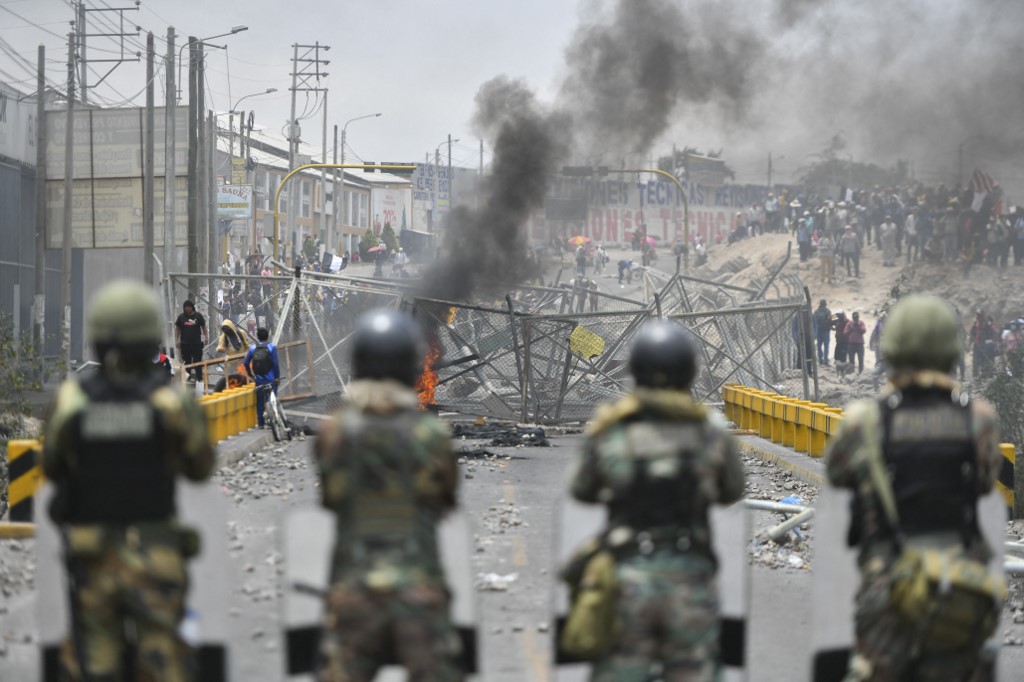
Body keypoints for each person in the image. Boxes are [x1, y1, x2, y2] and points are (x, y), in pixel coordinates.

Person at [825, 295, 1005, 681]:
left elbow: (837, 475)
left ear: (892, 347)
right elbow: (987, 483)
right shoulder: (979, 419)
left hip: (887, 587)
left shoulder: (864, 422)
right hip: (959, 586)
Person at [42, 279, 214, 680]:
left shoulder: (73, 401)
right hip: (156, 556)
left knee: (93, 661)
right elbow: (200, 467)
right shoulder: (170, 403)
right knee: (165, 662)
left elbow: (51, 465)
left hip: (92, 558)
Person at [566, 321, 745, 681]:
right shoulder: (710, 432)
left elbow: (581, 489)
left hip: (627, 581)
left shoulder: (613, 429)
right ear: (689, 372)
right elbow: (732, 491)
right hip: (691, 581)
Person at [314, 310, 464, 681]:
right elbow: (446, 501)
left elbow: (332, 500)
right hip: (420, 596)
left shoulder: (335, 434)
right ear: (409, 366)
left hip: (354, 596)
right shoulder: (430, 435)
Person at [244, 327, 281, 429]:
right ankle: (273, 421)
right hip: (271, 379)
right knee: (272, 400)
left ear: (257, 336)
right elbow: (275, 364)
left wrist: (250, 374)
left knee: (260, 401)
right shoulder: (271, 347)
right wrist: (277, 377)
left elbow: (246, 362)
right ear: (267, 336)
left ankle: (261, 423)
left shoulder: (252, 348)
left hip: (259, 379)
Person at [174, 299, 207, 382]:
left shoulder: (198, 316)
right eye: (185, 307)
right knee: (186, 363)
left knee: (198, 363)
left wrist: (206, 337)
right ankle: (187, 381)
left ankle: (199, 380)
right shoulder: (181, 317)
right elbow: (177, 329)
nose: (187, 309)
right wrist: (176, 340)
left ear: (192, 307)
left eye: (189, 307)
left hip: (197, 344)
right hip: (185, 344)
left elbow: (204, 327)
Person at [813, 299, 832, 366]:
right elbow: (832, 320)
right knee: (826, 346)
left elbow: (813, 322)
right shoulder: (828, 311)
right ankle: (826, 361)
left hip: (818, 332)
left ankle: (820, 360)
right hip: (826, 331)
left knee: (819, 346)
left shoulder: (816, 312)